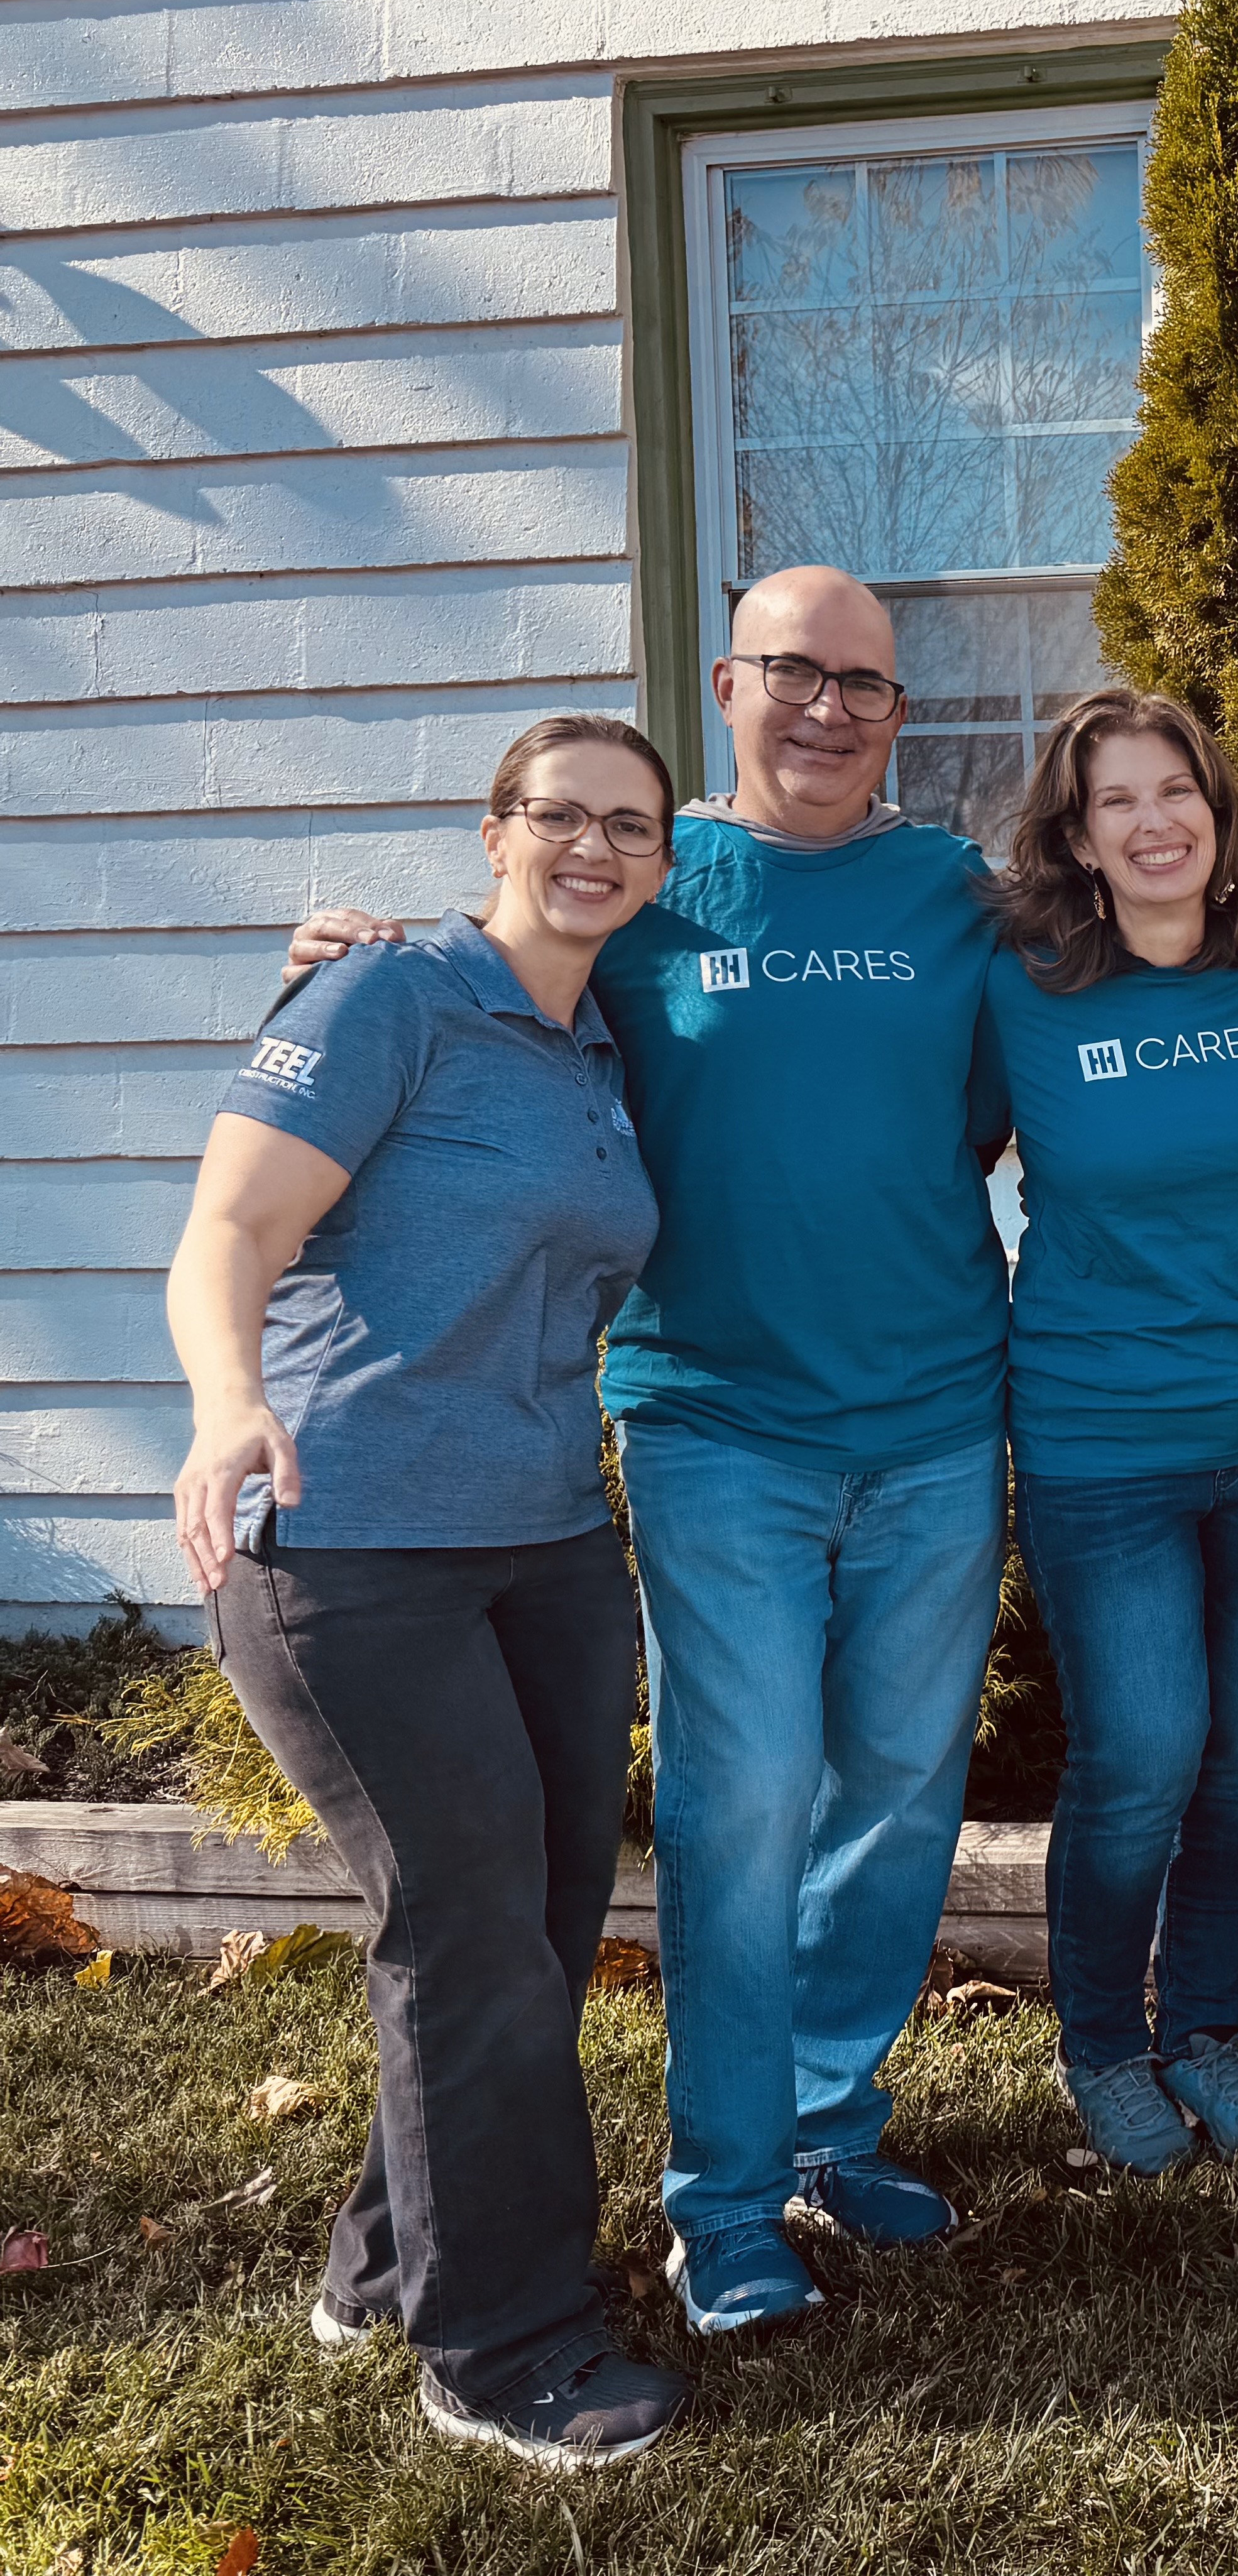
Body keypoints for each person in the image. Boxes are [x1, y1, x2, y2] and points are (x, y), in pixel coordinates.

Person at [285, 566, 1012, 2334]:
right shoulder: (654, 879)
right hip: (716, 1421)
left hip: (932, 1415)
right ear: (727, 684)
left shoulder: (956, 895)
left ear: (900, 713)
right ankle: (725, 2193)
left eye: (865, 683)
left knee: (901, 1800)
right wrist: (356, 950)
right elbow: (500, 959)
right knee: (741, 1804)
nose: (830, 708)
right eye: (793, 674)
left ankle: (832, 2120)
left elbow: (1016, 1081)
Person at [170, 716, 689, 2468]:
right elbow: (230, 1230)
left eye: (631, 825)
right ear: (495, 830)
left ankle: (388, 2266)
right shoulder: (384, 998)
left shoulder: (601, 1046)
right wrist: (227, 1400)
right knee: (466, 1922)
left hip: (543, 1538)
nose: (594, 848)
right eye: (561, 815)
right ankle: (505, 2347)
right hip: (348, 1537)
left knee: (536, 1917)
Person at [980, 691, 1238, 2173]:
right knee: (1142, 1749)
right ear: (1077, 835)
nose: (1153, 821)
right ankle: (1104, 2046)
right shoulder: (1021, 984)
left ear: (1216, 807)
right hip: (1098, 1436)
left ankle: (1204, 2028)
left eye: (1175, 789)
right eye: (1116, 799)